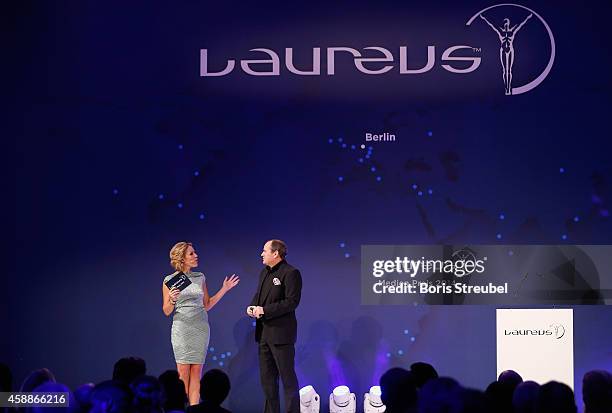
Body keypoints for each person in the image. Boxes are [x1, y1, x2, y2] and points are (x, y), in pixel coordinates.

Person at [162, 242, 239, 405]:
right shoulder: (169, 280)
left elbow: (207, 304)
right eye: (191, 253)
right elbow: (167, 310)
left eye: (195, 252)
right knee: (183, 372)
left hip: (200, 328)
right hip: (182, 328)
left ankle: (194, 409)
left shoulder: (200, 277)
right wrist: (172, 299)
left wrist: (224, 289)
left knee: (197, 372)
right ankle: (179, 408)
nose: (196, 255)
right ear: (181, 258)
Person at [246, 239, 302, 413]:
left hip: (281, 335)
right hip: (263, 334)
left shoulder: (291, 272)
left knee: (287, 380)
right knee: (268, 382)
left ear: (275, 253)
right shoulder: (264, 273)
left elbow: (291, 302)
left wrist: (264, 310)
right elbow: (259, 295)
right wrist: (252, 306)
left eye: (264, 250)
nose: (261, 254)